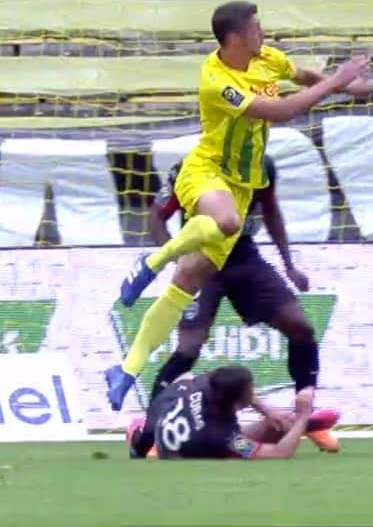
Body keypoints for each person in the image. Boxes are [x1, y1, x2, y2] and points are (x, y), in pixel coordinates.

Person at [105, 0, 369, 411]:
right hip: (207, 170)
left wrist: (346, 86)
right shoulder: (216, 79)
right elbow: (280, 111)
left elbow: (302, 76)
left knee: (185, 285)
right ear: (234, 38)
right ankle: (154, 260)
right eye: (256, 28)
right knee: (226, 221)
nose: (262, 33)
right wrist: (335, 82)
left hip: (242, 186)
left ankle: (127, 368)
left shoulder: (267, 58)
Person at [139, 154, 338, 452]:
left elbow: (270, 212)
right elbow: (156, 217)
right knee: (188, 348)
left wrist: (289, 264)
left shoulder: (261, 165)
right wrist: (179, 259)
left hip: (244, 257)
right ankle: (150, 434)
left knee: (301, 327)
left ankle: (302, 417)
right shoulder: (189, 167)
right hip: (202, 257)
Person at [127, 366, 338, 459]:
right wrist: (302, 415)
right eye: (250, 391)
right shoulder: (226, 438)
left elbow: (213, 376)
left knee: (186, 377)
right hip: (185, 444)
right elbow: (279, 454)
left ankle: (301, 426)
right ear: (236, 400)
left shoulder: (207, 385)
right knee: (275, 436)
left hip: (166, 406)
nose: (253, 394)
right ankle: (304, 425)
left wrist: (266, 409)